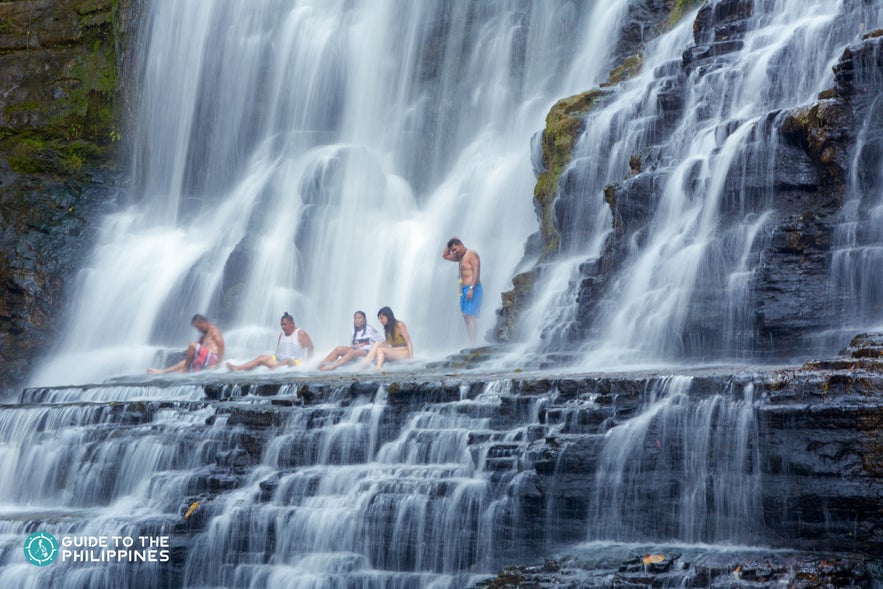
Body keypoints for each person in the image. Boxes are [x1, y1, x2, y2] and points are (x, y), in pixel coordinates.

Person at [226, 312, 314, 372]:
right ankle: (239, 368)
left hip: (295, 362)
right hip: (279, 361)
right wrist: (273, 359)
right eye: (281, 324)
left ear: (292, 324)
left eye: (285, 324)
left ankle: (271, 372)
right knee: (261, 357)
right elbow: (278, 350)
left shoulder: (300, 333)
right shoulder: (281, 334)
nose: (283, 327)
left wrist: (307, 364)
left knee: (287, 360)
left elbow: (310, 348)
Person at [148, 314, 225, 374]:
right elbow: (197, 346)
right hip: (206, 358)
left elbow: (221, 346)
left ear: (203, 322)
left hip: (213, 358)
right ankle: (162, 372)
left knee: (192, 345)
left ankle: (185, 369)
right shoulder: (204, 335)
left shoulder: (214, 330)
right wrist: (186, 351)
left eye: (198, 327)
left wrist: (218, 364)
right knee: (186, 361)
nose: (198, 329)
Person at [442, 237, 482, 344]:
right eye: (452, 251)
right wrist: (450, 242)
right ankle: (472, 342)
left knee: (470, 316)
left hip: (473, 288)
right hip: (463, 290)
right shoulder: (459, 257)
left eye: (455, 249)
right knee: (466, 317)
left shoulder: (471, 254)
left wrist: (471, 289)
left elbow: (476, 271)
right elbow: (445, 256)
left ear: (460, 244)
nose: (454, 252)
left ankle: (473, 344)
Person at [318, 310, 385, 371]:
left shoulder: (370, 328)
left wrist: (375, 353)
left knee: (352, 351)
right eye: (355, 318)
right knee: (339, 349)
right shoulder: (353, 331)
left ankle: (332, 367)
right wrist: (356, 346)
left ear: (364, 319)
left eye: (359, 318)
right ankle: (321, 365)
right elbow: (353, 345)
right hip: (356, 351)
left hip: (367, 352)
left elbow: (382, 340)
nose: (357, 320)